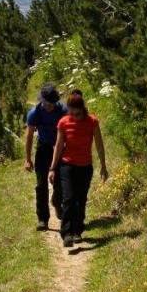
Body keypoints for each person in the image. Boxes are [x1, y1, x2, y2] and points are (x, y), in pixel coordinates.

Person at [48, 91, 108, 248]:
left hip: (85, 166)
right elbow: (59, 146)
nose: (75, 116)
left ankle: (77, 231)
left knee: (80, 200)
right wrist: (53, 168)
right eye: (72, 113)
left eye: (78, 113)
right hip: (67, 165)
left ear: (83, 109)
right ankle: (67, 233)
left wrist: (103, 166)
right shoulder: (63, 122)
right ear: (68, 110)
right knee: (68, 198)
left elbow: (99, 145)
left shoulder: (92, 122)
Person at [25, 82, 66, 230]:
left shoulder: (62, 110)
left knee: (60, 182)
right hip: (43, 148)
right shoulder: (34, 113)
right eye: (48, 103)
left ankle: (56, 201)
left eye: (53, 103)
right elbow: (29, 136)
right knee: (41, 185)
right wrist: (28, 159)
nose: (51, 106)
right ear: (42, 101)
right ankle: (43, 219)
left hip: (60, 148)